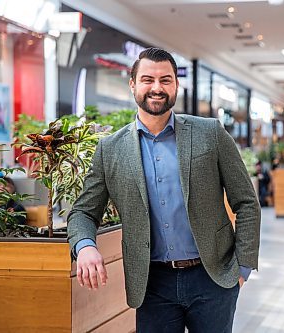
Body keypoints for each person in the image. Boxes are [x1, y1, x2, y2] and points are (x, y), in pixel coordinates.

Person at [67, 47, 261, 333]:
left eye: (165, 80)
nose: (156, 88)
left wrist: (241, 268)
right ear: (132, 84)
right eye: (147, 79)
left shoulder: (210, 133)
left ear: (176, 85)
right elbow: (83, 211)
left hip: (213, 278)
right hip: (152, 284)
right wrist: (84, 247)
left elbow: (246, 202)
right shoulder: (110, 150)